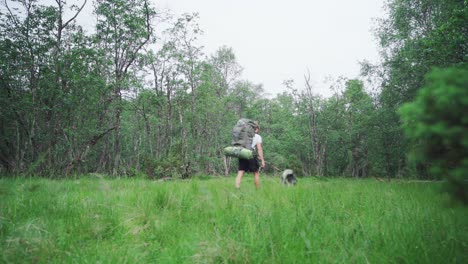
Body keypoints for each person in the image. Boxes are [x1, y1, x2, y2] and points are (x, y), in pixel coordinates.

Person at [235, 122, 265, 189]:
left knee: (240, 172)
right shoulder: (257, 136)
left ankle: (237, 189)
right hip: (251, 155)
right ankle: (257, 190)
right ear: (256, 129)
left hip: (242, 154)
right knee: (256, 173)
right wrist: (262, 160)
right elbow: (259, 148)